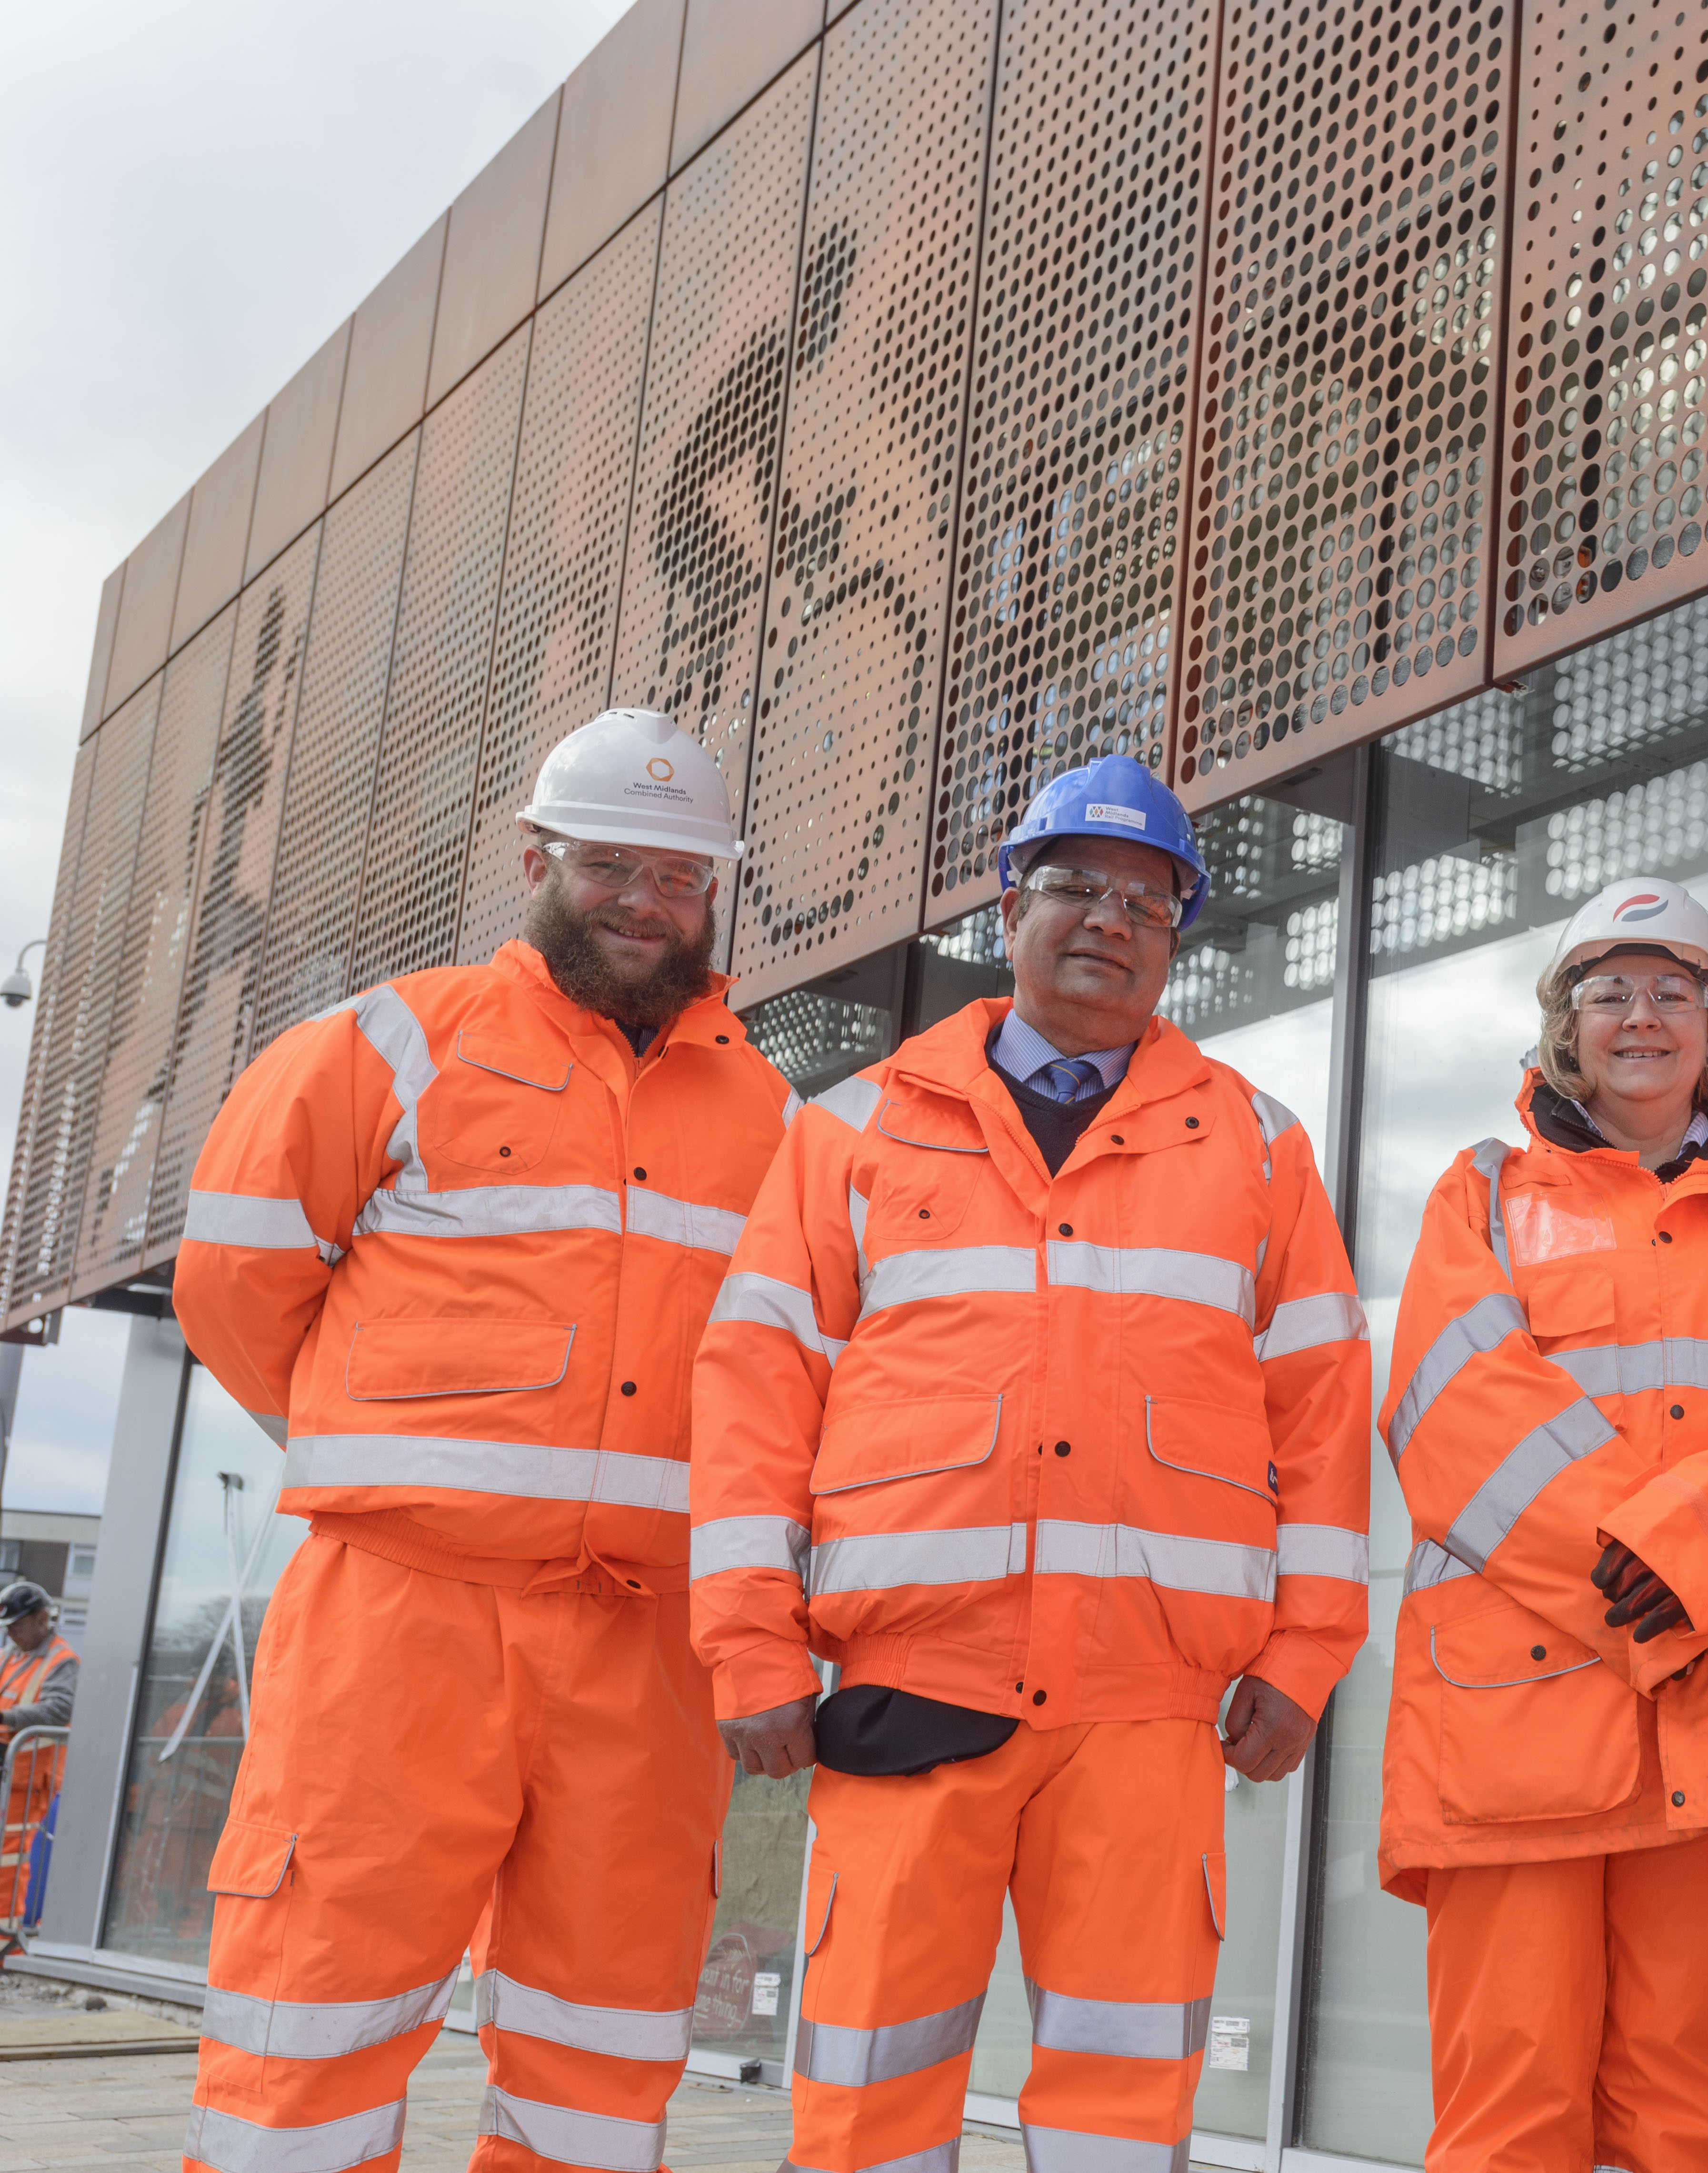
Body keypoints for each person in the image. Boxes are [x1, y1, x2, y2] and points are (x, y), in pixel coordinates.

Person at [691, 754, 1370, 2172]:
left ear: (1177, 934)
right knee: (868, 2105)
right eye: (1074, 886)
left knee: (1123, 2119)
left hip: (1145, 1715)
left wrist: (1305, 1656)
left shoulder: (1256, 1148)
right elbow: (757, 1392)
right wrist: (751, 1647)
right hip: (907, 1703)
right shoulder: (854, 1130)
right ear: (1005, 906)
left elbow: (1318, 1419)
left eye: (1147, 899)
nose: (1109, 920)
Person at [172, 708, 792, 2173]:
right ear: (534, 858)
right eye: (610, 866)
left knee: (607, 2029)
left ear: (716, 895)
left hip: (647, 1636)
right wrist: (365, 1448)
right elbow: (235, 1284)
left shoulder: (767, 1114)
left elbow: (778, 1377)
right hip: (401, 1611)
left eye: (682, 876)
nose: (647, 901)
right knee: (313, 2005)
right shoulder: (390, 1042)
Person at [1376, 877, 1708, 2173]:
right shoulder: (1478, 1190)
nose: (1639, 1017)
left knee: (1686, 2112)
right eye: (1608, 992)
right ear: (1563, 1023)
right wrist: (1643, 1566)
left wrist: (1687, 1563)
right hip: (1515, 1723)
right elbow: (1448, 1408)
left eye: (1671, 990)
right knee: (1507, 2109)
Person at [0, 1580, 74, 1929]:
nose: (11, 1632)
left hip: (28, 1780)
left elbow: (60, 1709)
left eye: (17, 1625)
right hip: (9, 1776)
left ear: (42, 1619)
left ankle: (6, 1943)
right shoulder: (10, 1656)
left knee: (11, 1860)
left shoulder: (62, 1660)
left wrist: (9, 1719)